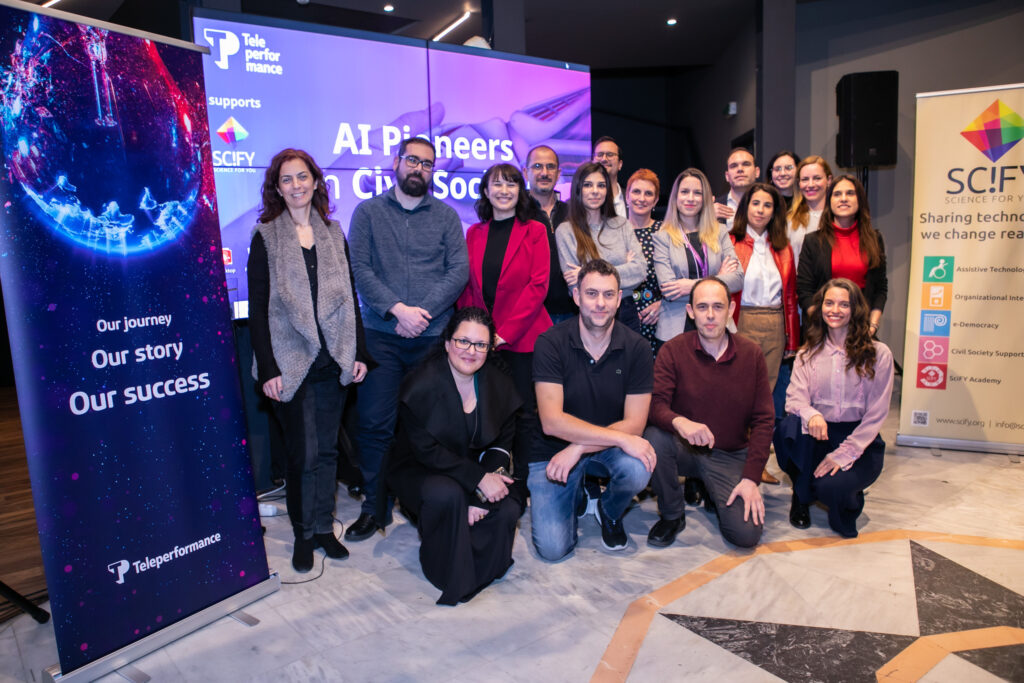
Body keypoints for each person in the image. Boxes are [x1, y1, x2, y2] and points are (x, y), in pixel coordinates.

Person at [248, 148, 370, 572]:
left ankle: (322, 528)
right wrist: (267, 369)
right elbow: (260, 308)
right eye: (287, 179)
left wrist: (358, 354)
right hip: (290, 360)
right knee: (303, 455)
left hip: (333, 357)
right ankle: (302, 534)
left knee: (330, 454)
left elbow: (350, 300)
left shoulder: (334, 233)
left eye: (303, 177)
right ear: (277, 189)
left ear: (316, 181)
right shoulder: (266, 236)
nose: (296, 185)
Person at [347, 137, 469, 541]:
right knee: (375, 425)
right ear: (396, 163)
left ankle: (424, 504)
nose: (419, 168)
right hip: (381, 336)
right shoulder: (367, 212)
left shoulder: (447, 217)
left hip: (432, 338)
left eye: (428, 164)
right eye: (412, 160)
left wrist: (422, 313)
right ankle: (374, 508)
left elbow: (458, 272)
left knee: (430, 427)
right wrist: (397, 309)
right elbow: (360, 268)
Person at [382, 308, 522, 605]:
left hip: (473, 469)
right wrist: (477, 483)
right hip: (422, 468)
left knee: (507, 507)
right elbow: (427, 452)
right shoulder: (420, 385)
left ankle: (482, 567)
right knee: (447, 496)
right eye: (463, 341)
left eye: (480, 345)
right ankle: (447, 569)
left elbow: (502, 442)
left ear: (489, 348)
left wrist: (480, 495)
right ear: (447, 342)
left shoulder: (499, 382)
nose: (471, 351)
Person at [528, 259, 656, 559]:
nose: (600, 303)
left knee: (640, 465)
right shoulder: (550, 343)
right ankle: (577, 493)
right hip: (552, 449)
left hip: (603, 447)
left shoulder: (636, 347)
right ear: (576, 297)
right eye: (592, 294)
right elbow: (551, 422)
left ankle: (609, 511)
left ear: (619, 297)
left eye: (609, 295)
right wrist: (576, 447)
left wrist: (578, 448)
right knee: (552, 549)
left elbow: (635, 424)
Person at [644, 277, 773, 549]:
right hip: (686, 449)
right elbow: (655, 405)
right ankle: (672, 514)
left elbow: (764, 420)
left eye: (718, 306)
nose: (711, 315)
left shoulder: (751, 355)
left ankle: (712, 489)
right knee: (654, 437)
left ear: (731, 309)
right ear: (690, 311)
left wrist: (751, 478)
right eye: (702, 307)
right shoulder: (673, 350)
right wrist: (680, 423)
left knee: (745, 535)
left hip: (729, 454)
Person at [774, 279, 894, 538]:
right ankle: (801, 495)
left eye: (844, 304)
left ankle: (844, 492)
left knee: (831, 491)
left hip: (859, 437)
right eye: (829, 303)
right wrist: (813, 414)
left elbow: (876, 414)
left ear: (855, 310)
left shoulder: (879, 354)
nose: (835, 310)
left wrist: (845, 454)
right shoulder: (808, 353)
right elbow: (794, 399)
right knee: (788, 428)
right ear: (820, 307)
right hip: (818, 433)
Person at [458, 163, 551, 488]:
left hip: (522, 338)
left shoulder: (535, 229)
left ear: (520, 190)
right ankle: (487, 476)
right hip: (483, 341)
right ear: (485, 191)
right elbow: (468, 289)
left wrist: (505, 333)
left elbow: (538, 286)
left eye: (511, 184)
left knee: (524, 411)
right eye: (496, 184)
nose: (504, 191)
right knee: (486, 410)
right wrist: (473, 334)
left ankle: (524, 481)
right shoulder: (474, 232)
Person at [555, 162, 648, 334]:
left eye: (601, 185)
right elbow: (574, 284)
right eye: (588, 185)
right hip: (590, 316)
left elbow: (640, 270)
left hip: (626, 312)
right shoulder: (566, 231)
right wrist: (624, 267)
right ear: (578, 189)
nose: (595, 191)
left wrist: (586, 271)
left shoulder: (622, 224)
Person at [653, 168, 743, 343]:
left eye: (697, 193)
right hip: (675, 330)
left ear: (705, 198)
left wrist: (689, 286)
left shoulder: (720, 232)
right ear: (675, 197)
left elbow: (738, 278)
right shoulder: (662, 237)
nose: (690, 198)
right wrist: (719, 280)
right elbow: (669, 290)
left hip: (718, 326)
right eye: (685, 192)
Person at [728, 182, 799, 390]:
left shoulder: (784, 247)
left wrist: (792, 339)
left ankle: (763, 424)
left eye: (767, 205)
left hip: (775, 325)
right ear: (746, 207)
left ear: (774, 211)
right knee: (739, 387)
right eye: (755, 203)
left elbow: (790, 297)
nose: (760, 210)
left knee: (767, 388)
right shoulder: (730, 242)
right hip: (742, 320)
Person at [796, 175, 887, 337]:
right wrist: (823, 325)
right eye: (837, 194)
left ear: (860, 200)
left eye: (850, 193)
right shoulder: (813, 241)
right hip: (820, 331)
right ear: (829, 201)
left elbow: (880, 288)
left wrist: (872, 326)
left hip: (861, 330)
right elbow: (804, 291)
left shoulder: (875, 239)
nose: (843, 199)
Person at [523, 145, 574, 324]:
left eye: (550, 167)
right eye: (537, 166)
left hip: (572, 313)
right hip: (531, 315)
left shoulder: (572, 213)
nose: (544, 172)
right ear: (525, 172)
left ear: (558, 173)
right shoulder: (517, 214)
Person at [625, 168, 664, 354]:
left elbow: (677, 276)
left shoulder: (665, 232)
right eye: (636, 191)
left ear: (656, 200)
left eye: (648, 193)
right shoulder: (614, 231)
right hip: (621, 318)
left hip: (657, 318)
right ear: (627, 196)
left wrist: (663, 305)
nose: (641, 198)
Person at [786, 155, 833, 267]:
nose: (810, 185)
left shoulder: (838, 218)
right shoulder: (789, 221)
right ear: (799, 183)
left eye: (817, 178)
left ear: (829, 180)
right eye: (805, 179)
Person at [714, 147, 759, 230]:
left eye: (746, 164)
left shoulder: (770, 205)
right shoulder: (713, 209)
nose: (740, 169)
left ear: (757, 172)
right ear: (727, 176)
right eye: (734, 166)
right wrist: (707, 219)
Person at [593, 136, 627, 217]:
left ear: (620, 164)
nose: (604, 159)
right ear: (592, 161)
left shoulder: (631, 198)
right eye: (600, 155)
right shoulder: (580, 200)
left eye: (610, 154)